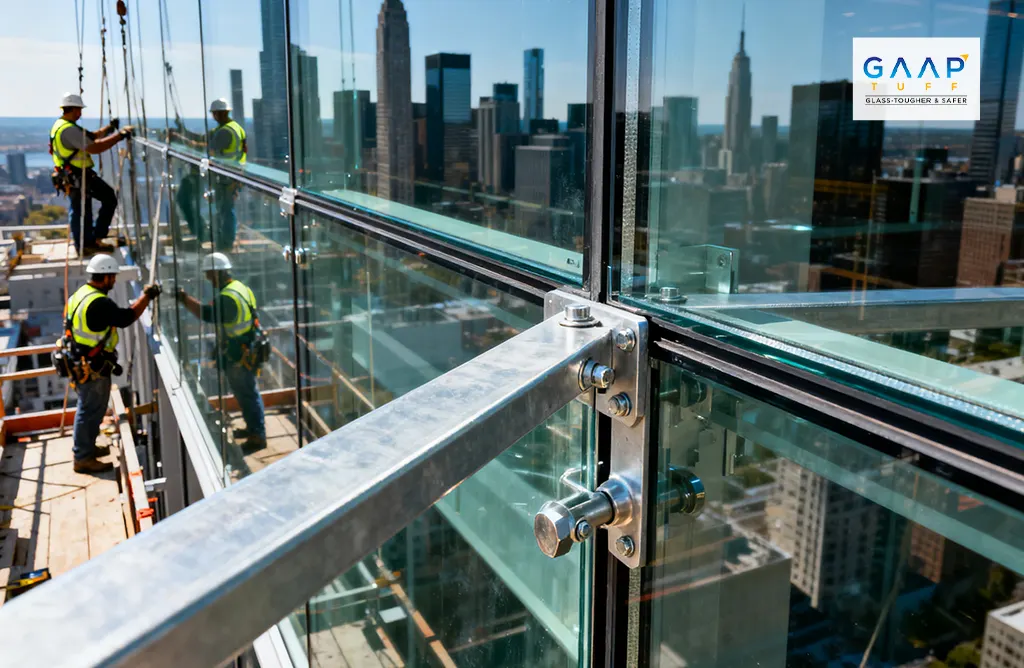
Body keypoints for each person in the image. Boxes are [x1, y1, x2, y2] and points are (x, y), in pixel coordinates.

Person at [66, 254, 161, 473]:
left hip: (81, 360)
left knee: (91, 409)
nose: (114, 281)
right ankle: (83, 457)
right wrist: (146, 297)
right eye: (113, 277)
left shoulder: (81, 294)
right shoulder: (99, 302)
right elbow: (126, 318)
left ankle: (85, 449)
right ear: (106, 276)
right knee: (90, 410)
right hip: (92, 366)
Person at [175, 252, 266, 451]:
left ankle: (257, 435)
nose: (208, 279)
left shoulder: (227, 297)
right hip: (245, 348)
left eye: (209, 275)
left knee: (247, 394)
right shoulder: (240, 287)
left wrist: (184, 299)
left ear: (217, 273)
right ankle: (253, 429)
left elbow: (207, 315)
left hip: (239, 352)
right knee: (246, 393)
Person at [50, 93, 134, 254]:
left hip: (77, 175)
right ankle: (87, 244)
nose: (80, 113)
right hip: (77, 176)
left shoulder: (64, 125)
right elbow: (95, 147)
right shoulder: (68, 129)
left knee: (93, 205)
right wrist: (120, 136)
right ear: (72, 109)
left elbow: (91, 137)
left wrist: (109, 129)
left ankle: (92, 239)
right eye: (78, 110)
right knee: (84, 209)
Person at [170, 98, 246, 252]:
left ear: (219, 113)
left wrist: (179, 138)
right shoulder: (232, 127)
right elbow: (201, 138)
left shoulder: (225, 131)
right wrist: (183, 129)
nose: (214, 116)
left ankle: (226, 243)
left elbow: (203, 148)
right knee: (224, 208)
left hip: (227, 174)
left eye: (215, 113)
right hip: (232, 173)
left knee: (225, 209)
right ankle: (224, 239)